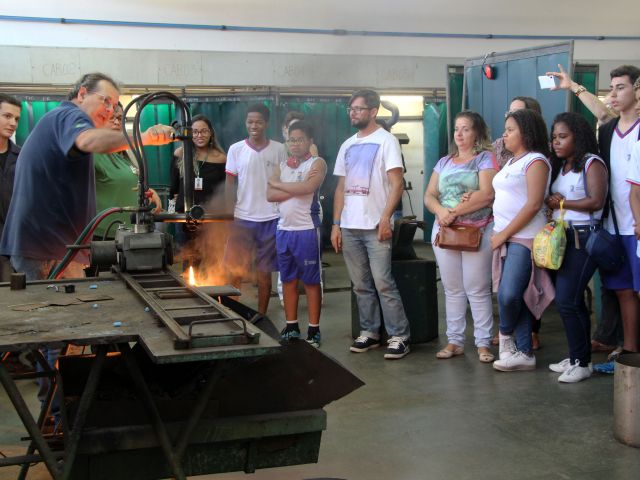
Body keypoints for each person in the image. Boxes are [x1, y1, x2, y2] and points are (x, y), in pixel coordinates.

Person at [0, 72, 174, 280]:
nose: (110, 111)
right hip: (43, 248)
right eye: (105, 101)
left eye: (114, 105)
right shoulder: (69, 115)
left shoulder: (60, 120)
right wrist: (144, 137)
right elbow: (87, 141)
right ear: (82, 94)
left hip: (56, 245)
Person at [331, 89, 411, 360]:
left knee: (383, 282)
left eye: (358, 108)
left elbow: (396, 184)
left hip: (376, 225)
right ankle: (370, 332)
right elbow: (341, 188)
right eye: (350, 109)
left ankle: (399, 336)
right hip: (350, 227)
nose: (353, 113)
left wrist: (386, 218)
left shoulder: (387, 141)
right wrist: (335, 224)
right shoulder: (347, 145)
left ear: (373, 111)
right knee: (360, 285)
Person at [424, 111, 497, 362]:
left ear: (477, 133)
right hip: (444, 231)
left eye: (466, 129)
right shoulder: (444, 162)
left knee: (477, 288)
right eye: (457, 129)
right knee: (452, 288)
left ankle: (483, 343)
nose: (460, 134)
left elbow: (487, 195)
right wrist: (441, 212)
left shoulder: (485, 159)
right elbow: (429, 195)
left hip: (477, 230)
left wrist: (452, 213)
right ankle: (455, 341)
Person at [545, 112, 608, 383]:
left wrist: (560, 204)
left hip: (584, 238)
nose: (556, 142)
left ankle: (582, 363)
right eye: (554, 137)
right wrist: (551, 199)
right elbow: (554, 199)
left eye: (563, 136)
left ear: (577, 136)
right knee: (572, 301)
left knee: (567, 300)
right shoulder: (561, 166)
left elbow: (596, 201)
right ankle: (576, 356)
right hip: (562, 238)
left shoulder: (591, 163)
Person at [491, 109, 553, 372]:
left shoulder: (536, 160)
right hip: (506, 237)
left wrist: (504, 234)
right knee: (521, 295)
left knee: (508, 295)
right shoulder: (512, 160)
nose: (504, 134)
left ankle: (506, 340)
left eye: (510, 129)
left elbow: (533, 204)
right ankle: (525, 352)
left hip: (524, 238)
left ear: (526, 132)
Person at [267, 121, 326, 346]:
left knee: (311, 282)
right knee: (288, 279)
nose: (295, 144)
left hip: (307, 231)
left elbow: (308, 189)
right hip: (284, 230)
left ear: (309, 141)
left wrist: (280, 185)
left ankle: (314, 330)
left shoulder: (317, 163)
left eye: (300, 139)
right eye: (292, 140)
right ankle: (291, 326)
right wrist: (293, 187)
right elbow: (269, 195)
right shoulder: (281, 166)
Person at [596, 65, 640, 359]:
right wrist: (573, 86)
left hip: (637, 225)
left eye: (620, 87)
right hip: (615, 224)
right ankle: (630, 348)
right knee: (623, 290)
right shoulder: (610, 129)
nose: (613, 94)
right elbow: (601, 112)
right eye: (611, 88)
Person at [224, 104, 286, 314]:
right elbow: (229, 184)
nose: (254, 125)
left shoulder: (279, 149)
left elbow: (285, 182)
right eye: (250, 122)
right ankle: (232, 313)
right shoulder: (236, 149)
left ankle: (261, 316)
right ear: (245, 123)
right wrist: (228, 214)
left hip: (271, 217)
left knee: (264, 272)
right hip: (242, 217)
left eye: (258, 121)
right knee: (235, 270)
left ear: (266, 123)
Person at [93, 103, 162, 240]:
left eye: (120, 118)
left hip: (130, 231)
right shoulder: (93, 152)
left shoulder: (125, 153)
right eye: (111, 118)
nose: (117, 122)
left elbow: (127, 181)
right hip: (104, 234)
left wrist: (148, 191)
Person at [0, 93, 21, 281]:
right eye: (7, 116)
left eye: (16, 119)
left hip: (10, 245)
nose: (13, 123)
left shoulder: (22, 157)